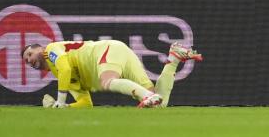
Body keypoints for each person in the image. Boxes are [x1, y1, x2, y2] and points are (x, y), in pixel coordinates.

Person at [21, 39, 201, 108]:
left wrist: (60, 101)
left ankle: (146, 96)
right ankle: (173, 60)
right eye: (26, 61)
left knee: (107, 81)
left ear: (40, 48)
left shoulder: (51, 50)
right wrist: (65, 108)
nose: (29, 60)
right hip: (120, 51)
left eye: (29, 54)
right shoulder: (61, 76)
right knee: (158, 105)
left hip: (107, 50)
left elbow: (66, 68)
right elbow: (85, 103)